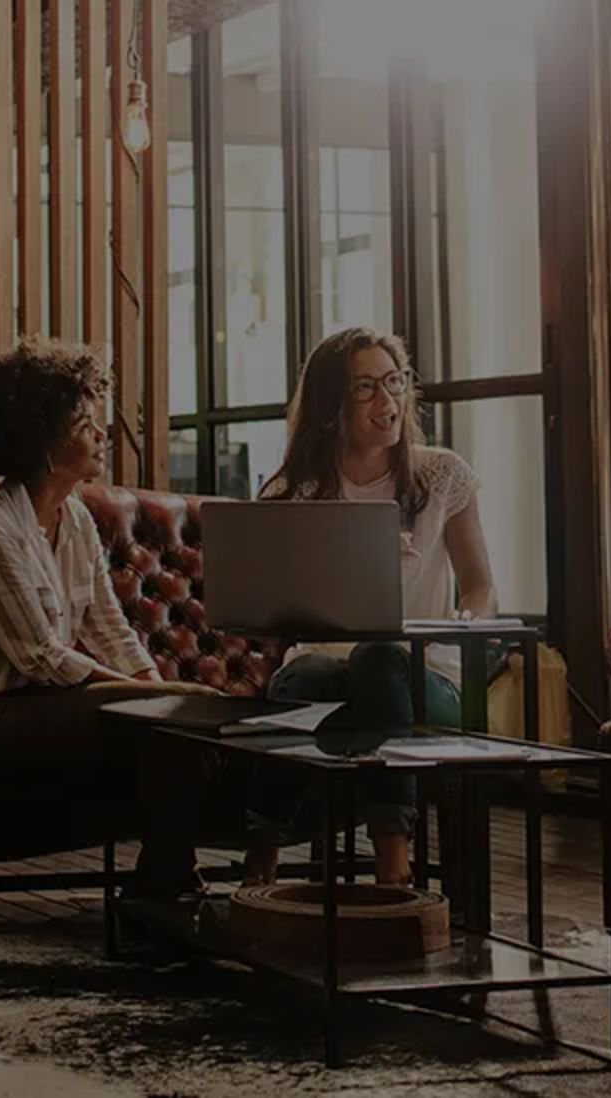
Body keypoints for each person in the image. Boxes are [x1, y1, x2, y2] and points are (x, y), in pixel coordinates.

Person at [0, 339, 223, 897]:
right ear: (45, 440)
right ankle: (167, 890)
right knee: (166, 720)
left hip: (46, 702)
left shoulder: (77, 517)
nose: (101, 435)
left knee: (173, 724)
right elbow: (40, 657)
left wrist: (156, 689)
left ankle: (164, 884)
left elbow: (107, 626)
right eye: (87, 424)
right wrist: (150, 700)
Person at [257, 327, 496, 885]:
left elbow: (481, 586)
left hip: (424, 672)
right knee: (303, 677)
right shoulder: (294, 490)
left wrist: (469, 620)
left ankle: (393, 861)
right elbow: (274, 607)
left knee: (380, 659)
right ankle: (261, 853)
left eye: (395, 382)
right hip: (325, 666)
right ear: (329, 403)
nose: (388, 403)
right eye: (366, 388)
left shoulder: (441, 476)